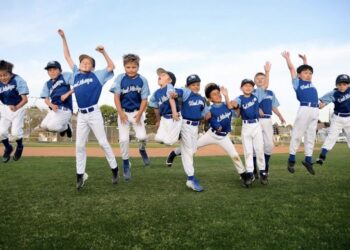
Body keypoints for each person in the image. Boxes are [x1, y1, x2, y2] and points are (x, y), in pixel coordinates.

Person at [57, 29, 119, 190]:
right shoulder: (76, 74)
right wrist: (64, 38)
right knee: (79, 146)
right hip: (81, 115)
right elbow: (67, 56)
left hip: (94, 113)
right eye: (83, 61)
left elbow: (112, 66)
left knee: (103, 142)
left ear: (92, 67)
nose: (84, 63)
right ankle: (80, 175)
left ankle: (114, 169)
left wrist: (103, 52)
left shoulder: (97, 75)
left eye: (88, 62)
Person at [167, 83, 248, 188]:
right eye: (214, 94)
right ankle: (174, 153)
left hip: (223, 137)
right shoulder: (209, 109)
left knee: (234, 155)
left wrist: (228, 97)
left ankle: (243, 175)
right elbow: (204, 117)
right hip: (211, 134)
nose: (218, 95)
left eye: (218, 93)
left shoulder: (226, 105)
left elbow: (237, 114)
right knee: (191, 147)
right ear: (209, 99)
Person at [110, 54, 150, 177]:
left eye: (134, 67)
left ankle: (142, 149)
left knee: (142, 137)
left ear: (138, 67)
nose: (131, 69)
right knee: (123, 139)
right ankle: (126, 163)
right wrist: (121, 113)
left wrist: (139, 114)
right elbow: (116, 97)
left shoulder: (142, 79)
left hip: (137, 112)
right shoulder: (120, 78)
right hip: (124, 113)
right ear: (124, 67)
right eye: (128, 67)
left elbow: (144, 99)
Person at [166, 74, 208, 192]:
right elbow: (172, 91)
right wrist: (171, 91)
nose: (196, 86)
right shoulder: (185, 92)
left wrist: (209, 114)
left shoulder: (201, 98)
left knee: (192, 150)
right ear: (188, 86)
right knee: (188, 152)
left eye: (197, 84)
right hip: (185, 125)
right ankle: (190, 179)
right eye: (193, 84)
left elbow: (205, 113)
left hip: (195, 127)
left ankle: (174, 153)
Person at [281, 51, 319, 175]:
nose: (308, 75)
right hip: (304, 109)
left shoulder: (310, 83)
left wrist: (305, 61)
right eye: (305, 73)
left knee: (310, 136)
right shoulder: (297, 83)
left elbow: (305, 70)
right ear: (299, 75)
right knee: (297, 135)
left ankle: (308, 160)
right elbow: (292, 69)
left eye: (310, 73)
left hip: (315, 110)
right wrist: (288, 58)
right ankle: (291, 159)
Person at [232, 79, 267, 186]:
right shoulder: (239, 98)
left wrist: (267, 71)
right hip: (246, 125)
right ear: (241, 88)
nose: (248, 87)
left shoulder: (256, 96)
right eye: (245, 85)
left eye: (250, 86)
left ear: (253, 88)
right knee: (248, 151)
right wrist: (234, 104)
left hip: (256, 125)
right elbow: (236, 106)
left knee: (260, 149)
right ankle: (250, 174)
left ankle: (263, 173)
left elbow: (264, 86)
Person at [253, 62, 286, 177]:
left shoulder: (270, 93)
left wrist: (280, 116)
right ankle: (253, 169)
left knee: (269, 145)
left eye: (263, 78)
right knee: (255, 146)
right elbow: (249, 105)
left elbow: (273, 106)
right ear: (255, 82)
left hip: (267, 120)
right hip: (255, 121)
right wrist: (267, 72)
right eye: (258, 79)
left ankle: (265, 165)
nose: (261, 80)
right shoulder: (252, 92)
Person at [316, 74, 350, 165]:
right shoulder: (333, 93)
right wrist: (313, 104)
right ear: (336, 85)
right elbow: (321, 105)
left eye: (345, 84)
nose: (342, 86)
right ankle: (322, 157)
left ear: (349, 84)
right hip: (337, 118)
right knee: (331, 137)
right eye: (340, 84)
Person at [0, 60, 29, 162]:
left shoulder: (18, 80)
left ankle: (20, 146)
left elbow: (25, 99)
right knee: (1, 132)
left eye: (5, 75)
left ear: (10, 73)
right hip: (5, 108)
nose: (3, 78)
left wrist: (16, 107)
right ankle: (8, 147)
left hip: (18, 108)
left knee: (16, 133)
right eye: (0, 76)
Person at [149, 68, 182, 145]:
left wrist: (174, 112)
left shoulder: (169, 86)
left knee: (168, 142)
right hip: (164, 118)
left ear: (169, 80)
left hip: (174, 117)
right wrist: (158, 121)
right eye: (159, 75)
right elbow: (156, 108)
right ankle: (175, 133)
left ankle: (181, 133)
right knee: (158, 139)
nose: (160, 76)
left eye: (163, 75)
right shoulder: (156, 93)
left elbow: (171, 98)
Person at [40, 61, 73, 138]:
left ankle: (66, 126)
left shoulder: (65, 76)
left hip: (65, 109)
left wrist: (67, 93)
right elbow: (46, 99)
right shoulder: (47, 84)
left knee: (52, 127)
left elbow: (78, 85)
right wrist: (51, 105)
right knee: (44, 126)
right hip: (54, 110)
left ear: (60, 70)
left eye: (54, 69)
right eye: (50, 70)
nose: (52, 72)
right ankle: (64, 128)